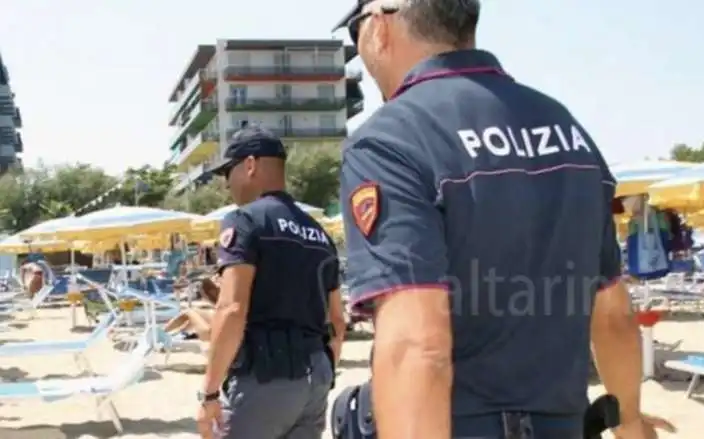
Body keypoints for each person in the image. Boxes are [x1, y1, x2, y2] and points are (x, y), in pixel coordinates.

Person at [333, 1, 676, 438]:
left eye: (355, 32)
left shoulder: (391, 138)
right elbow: (611, 311)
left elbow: (416, 344)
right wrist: (629, 422)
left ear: (380, 26)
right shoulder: (564, 127)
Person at [196, 125, 346, 439]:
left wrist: (209, 393)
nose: (226, 185)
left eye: (228, 172)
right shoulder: (320, 235)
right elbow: (336, 321)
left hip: (264, 378)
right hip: (315, 377)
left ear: (249, 165)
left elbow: (232, 308)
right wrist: (325, 373)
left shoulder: (245, 220)